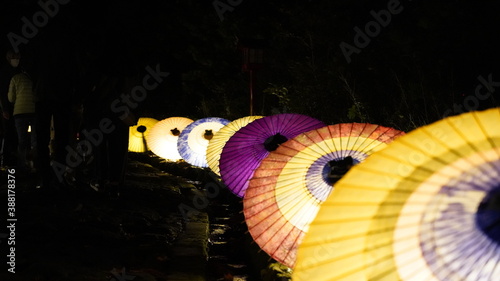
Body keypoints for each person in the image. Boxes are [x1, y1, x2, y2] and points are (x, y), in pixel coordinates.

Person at [8, 68, 37, 173]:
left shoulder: (15, 79)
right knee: (35, 140)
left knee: (22, 141)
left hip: (19, 112)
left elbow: (11, 98)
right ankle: (36, 164)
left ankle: (22, 166)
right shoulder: (34, 78)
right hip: (33, 111)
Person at [0, 50, 21, 167]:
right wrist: (5, 109)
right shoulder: (5, 72)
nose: (16, 59)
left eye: (18, 57)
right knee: (8, 133)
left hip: (16, 107)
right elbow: (2, 92)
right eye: (14, 57)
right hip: (8, 107)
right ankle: (7, 161)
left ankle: (12, 161)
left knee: (14, 134)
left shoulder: (18, 70)